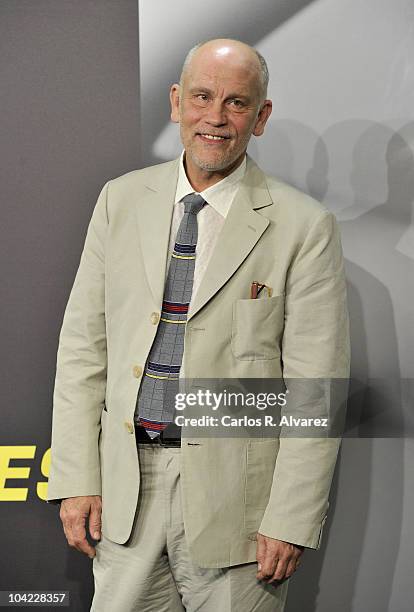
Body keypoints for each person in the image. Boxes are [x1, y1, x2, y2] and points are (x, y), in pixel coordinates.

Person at [47, 38, 350, 611]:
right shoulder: (120, 200)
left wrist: (291, 516)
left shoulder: (304, 226)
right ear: (175, 101)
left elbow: (316, 388)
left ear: (260, 117)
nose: (215, 117)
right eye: (202, 97)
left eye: (236, 103)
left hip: (240, 504)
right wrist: (76, 477)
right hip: (124, 490)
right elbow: (84, 350)